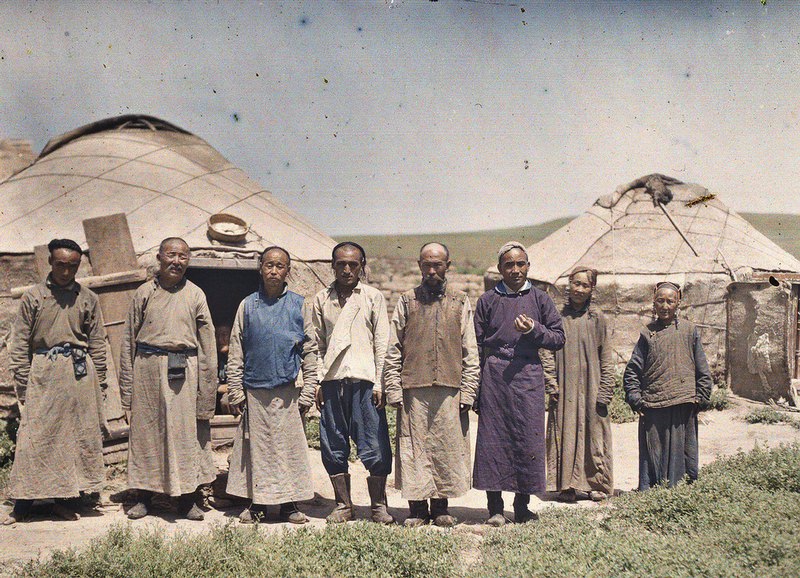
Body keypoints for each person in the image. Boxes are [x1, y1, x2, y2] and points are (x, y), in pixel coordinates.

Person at [4, 239, 108, 525]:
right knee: (36, 436)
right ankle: (23, 503)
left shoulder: (87, 298)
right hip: (44, 374)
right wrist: (25, 383)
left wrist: (100, 380)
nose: (65, 271)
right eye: (60, 264)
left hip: (79, 373)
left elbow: (97, 342)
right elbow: (20, 342)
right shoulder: (34, 297)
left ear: (78, 265)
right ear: (50, 262)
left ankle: (65, 499)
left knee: (75, 437)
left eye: (72, 266)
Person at [119, 237, 217, 521]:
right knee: (148, 433)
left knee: (187, 434)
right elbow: (128, 342)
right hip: (147, 369)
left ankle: (187, 500)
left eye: (183, 256)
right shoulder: (143, 293)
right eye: (171, 255)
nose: (177, 261)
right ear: (159, 258)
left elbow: (208, 344)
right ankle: (144, 497)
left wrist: (207, 390)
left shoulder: (196, 294)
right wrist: (127, 391)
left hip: (185, 370)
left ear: (189, 260)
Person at [384, 242, 480, 528]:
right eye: (427, 264)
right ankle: (416, 509)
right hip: (413, 389)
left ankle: (440, 508)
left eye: (437, 264)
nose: (432, 270)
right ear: (419, 265)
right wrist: (392, 386)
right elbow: (393, 349)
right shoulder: (407, 300)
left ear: (447, 266)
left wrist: (469, 389)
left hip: (450, 388)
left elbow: (470, 350)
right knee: (414, 449)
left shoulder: (460, 301)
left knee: (445, 449)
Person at [473, 242, 565, 526]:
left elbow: (558, 338)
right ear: (500, 269)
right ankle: (495, 509)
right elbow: (475, 345)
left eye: (520, 264)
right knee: (494, 441)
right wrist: (475, 388)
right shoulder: (487, 300)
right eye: (509, 265)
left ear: (528, 266)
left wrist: (535, 330)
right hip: (495, 376)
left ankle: (522, 507)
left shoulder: (540, 299)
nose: (515, 270)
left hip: (528, 374)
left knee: (527, 439)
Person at [225, 246, 317, 524]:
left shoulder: (299, 305)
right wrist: (235, 390)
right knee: (258, 450)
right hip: (255, 391)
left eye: (280, 266)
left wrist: (309, 389)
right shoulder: (248, 306)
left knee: (288, 449)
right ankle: (258, 505)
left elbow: (311, 350)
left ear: (288, 270)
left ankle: (289, 505)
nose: (274, 271)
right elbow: (236, 350)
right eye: (269, 265)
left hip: (287, 392)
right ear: (260, 268)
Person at [311, 241, 394, 524]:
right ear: (332, 265)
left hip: (365, 382)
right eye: (341, 264)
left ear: (362, 266)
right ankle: (344, 504)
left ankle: (378, 506)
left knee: (375, 443)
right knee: (333, 443)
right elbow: (317, 344)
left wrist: (381, 383)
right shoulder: (321, 299)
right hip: (333, 381)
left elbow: (382, 343)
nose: (347, 270)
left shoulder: (372, 297)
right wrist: (319, 381)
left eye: (353, 264)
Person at [623, 281, 712, 490]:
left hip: (683, 403)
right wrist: (636, 399)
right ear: (654, 303)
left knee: (682, 455)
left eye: (670, 301)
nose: (665, 306)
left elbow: (702, 368)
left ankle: (680, 496)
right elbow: (632, 371)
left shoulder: (690, 331)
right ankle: (652, 496)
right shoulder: (647, 333)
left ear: (678, 302)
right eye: (660, 301)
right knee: (653, 455)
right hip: (653, 405)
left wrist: (702, 396)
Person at [544, 266, 614, 503]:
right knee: (564, 430)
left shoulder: (598, 318)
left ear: (592, 289)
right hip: (564, 387)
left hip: (591, 386)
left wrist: (605, 390)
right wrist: (551, 383)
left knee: (594, 432)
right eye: (576, 283)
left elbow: (606, 357)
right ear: (568, 285)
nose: (579, 289)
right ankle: (566, 486)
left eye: (585, 285)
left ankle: (596, 484)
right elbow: (545, 351)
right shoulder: (556, 316)